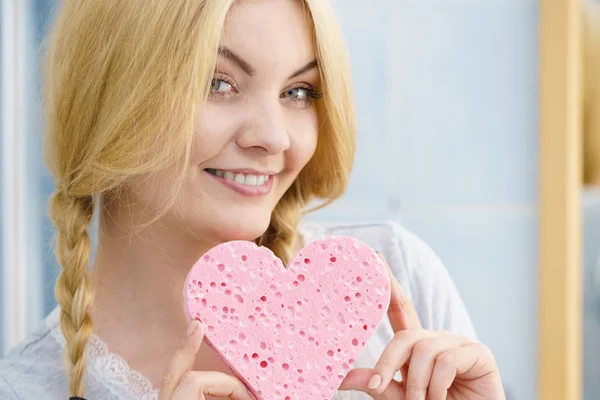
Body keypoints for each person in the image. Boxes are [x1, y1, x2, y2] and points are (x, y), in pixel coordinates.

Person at [0, 0, 505, 399]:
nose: (275, 137)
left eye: (299, 92)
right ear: (109, 98)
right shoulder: (23, 389)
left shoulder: (394, 279)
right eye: (218, 82)